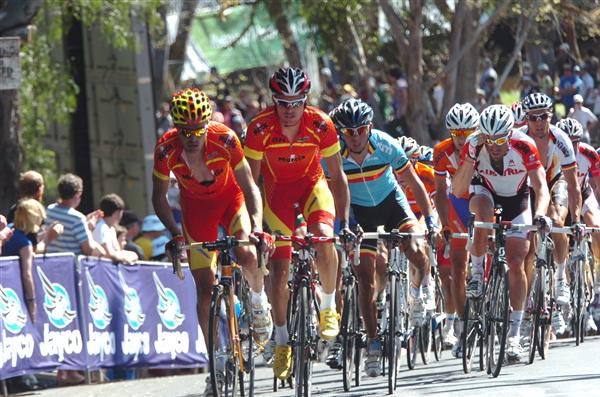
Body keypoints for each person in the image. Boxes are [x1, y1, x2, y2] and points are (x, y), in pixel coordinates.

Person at [152, 87, 272, 396]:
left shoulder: (225, 138)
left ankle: (258, 302)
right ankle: (216, 362)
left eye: (197, 128)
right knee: (204, 288)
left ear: (208, 123)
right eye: (185, 130)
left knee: (246, 253)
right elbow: (159, 197)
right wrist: (174, 233)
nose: (192, 136)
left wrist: (257, 225)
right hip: (196, 211)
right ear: (176, 127)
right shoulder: (166, 149)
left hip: (230, 200)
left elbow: (249, 186)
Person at [245, 67, 352, 380]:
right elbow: (251, 180)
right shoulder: (259, 127)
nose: (290, 110)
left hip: (312, 188)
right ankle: (281, 343)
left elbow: (338, 176)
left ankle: (329, 306)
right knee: (279, 271)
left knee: (324, 237)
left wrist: (343, 222)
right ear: (273, 101)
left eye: (296, 102)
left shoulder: (321, 123)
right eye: (283, 102)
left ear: (306, 100)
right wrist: (255, 224)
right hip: (276, 196)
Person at [327, 98, 436, 377]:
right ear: (341, 133)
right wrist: (342, 224)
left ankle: (417, 293)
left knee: (415, 247)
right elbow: (332, 194)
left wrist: (431, 219)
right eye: (348, 132)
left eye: (360, 130)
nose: (355, 137)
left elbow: (413, 182)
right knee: (364, 277)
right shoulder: (334, 154)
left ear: (370, 127)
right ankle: (373, 343)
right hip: (360, 214)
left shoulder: (386, 143)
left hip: (391, 204)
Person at [453, 104, 550, 362]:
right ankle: (476, 273)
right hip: (485, 193)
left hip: (517, 199)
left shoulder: (524, 144)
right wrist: (471, 156)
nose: (494, 146)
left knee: (517, 262)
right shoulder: (475, 145)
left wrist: (540, 214)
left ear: (510, 133)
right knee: (483, 213)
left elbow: (540, 186)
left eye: (500, 139)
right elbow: (458, 189)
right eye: (489, 139)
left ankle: (514, 335)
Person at [520, 93, 581, 336]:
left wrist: (575, 220)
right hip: (529, 185)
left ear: (550, 116)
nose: (539, 122)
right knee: (526, 248)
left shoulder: (562, 140)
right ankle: (524, 308)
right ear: (527, 119)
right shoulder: (521, 138)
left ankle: (559, 277)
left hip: (556, 182)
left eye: (543, 116)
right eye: (533, 118)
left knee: (556, 221)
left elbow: (574, 185)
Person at [433, 103, 480, 356]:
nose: (462, 139)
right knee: (457, 269)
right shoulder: (441, 151)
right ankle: (463, 328)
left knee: (493, 254)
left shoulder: (484, 145)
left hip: (486, 197)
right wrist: (444, 224)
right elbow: (441, 193)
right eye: (456, 134)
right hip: (459, 203)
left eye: (467, 133)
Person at [556, 117, 600, 332]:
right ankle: (563, 280)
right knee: (560, 240)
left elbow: (598, 187)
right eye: (568, 142)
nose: (572, 146)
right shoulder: (554, 151)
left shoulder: (589, 153)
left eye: (576, 142)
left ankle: (597, 273)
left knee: (596, 226)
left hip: (583, 192)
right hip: (563, 196)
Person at [45, 173, 106, 257]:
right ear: (78, 194)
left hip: (51, 264)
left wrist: (84, 221)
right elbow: (89, 250)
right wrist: (89, 228)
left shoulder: (50, 209)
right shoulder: (77, 218)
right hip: (70, 267)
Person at [92, 194, 138, 264]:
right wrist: (127, 257)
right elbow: (108, 254)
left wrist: (129, 256)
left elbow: (117, 252)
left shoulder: (111, 229)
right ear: (117, 213)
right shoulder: (100, 227)